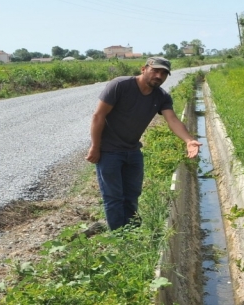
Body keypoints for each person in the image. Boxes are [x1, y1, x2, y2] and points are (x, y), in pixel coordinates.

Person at [85, 57, 202, 230]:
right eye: (155, 70)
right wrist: (95, 146)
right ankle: (119, 238)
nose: (159, 75)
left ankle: (131, 232)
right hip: (109, 151)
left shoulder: (161, 96)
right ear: (143, 69)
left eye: (163, 73)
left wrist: (189, 140)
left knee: (132, 194)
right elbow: (98, 116)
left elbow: (173, 120)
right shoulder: (120, 86)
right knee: (114, 197)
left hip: (132, 151)